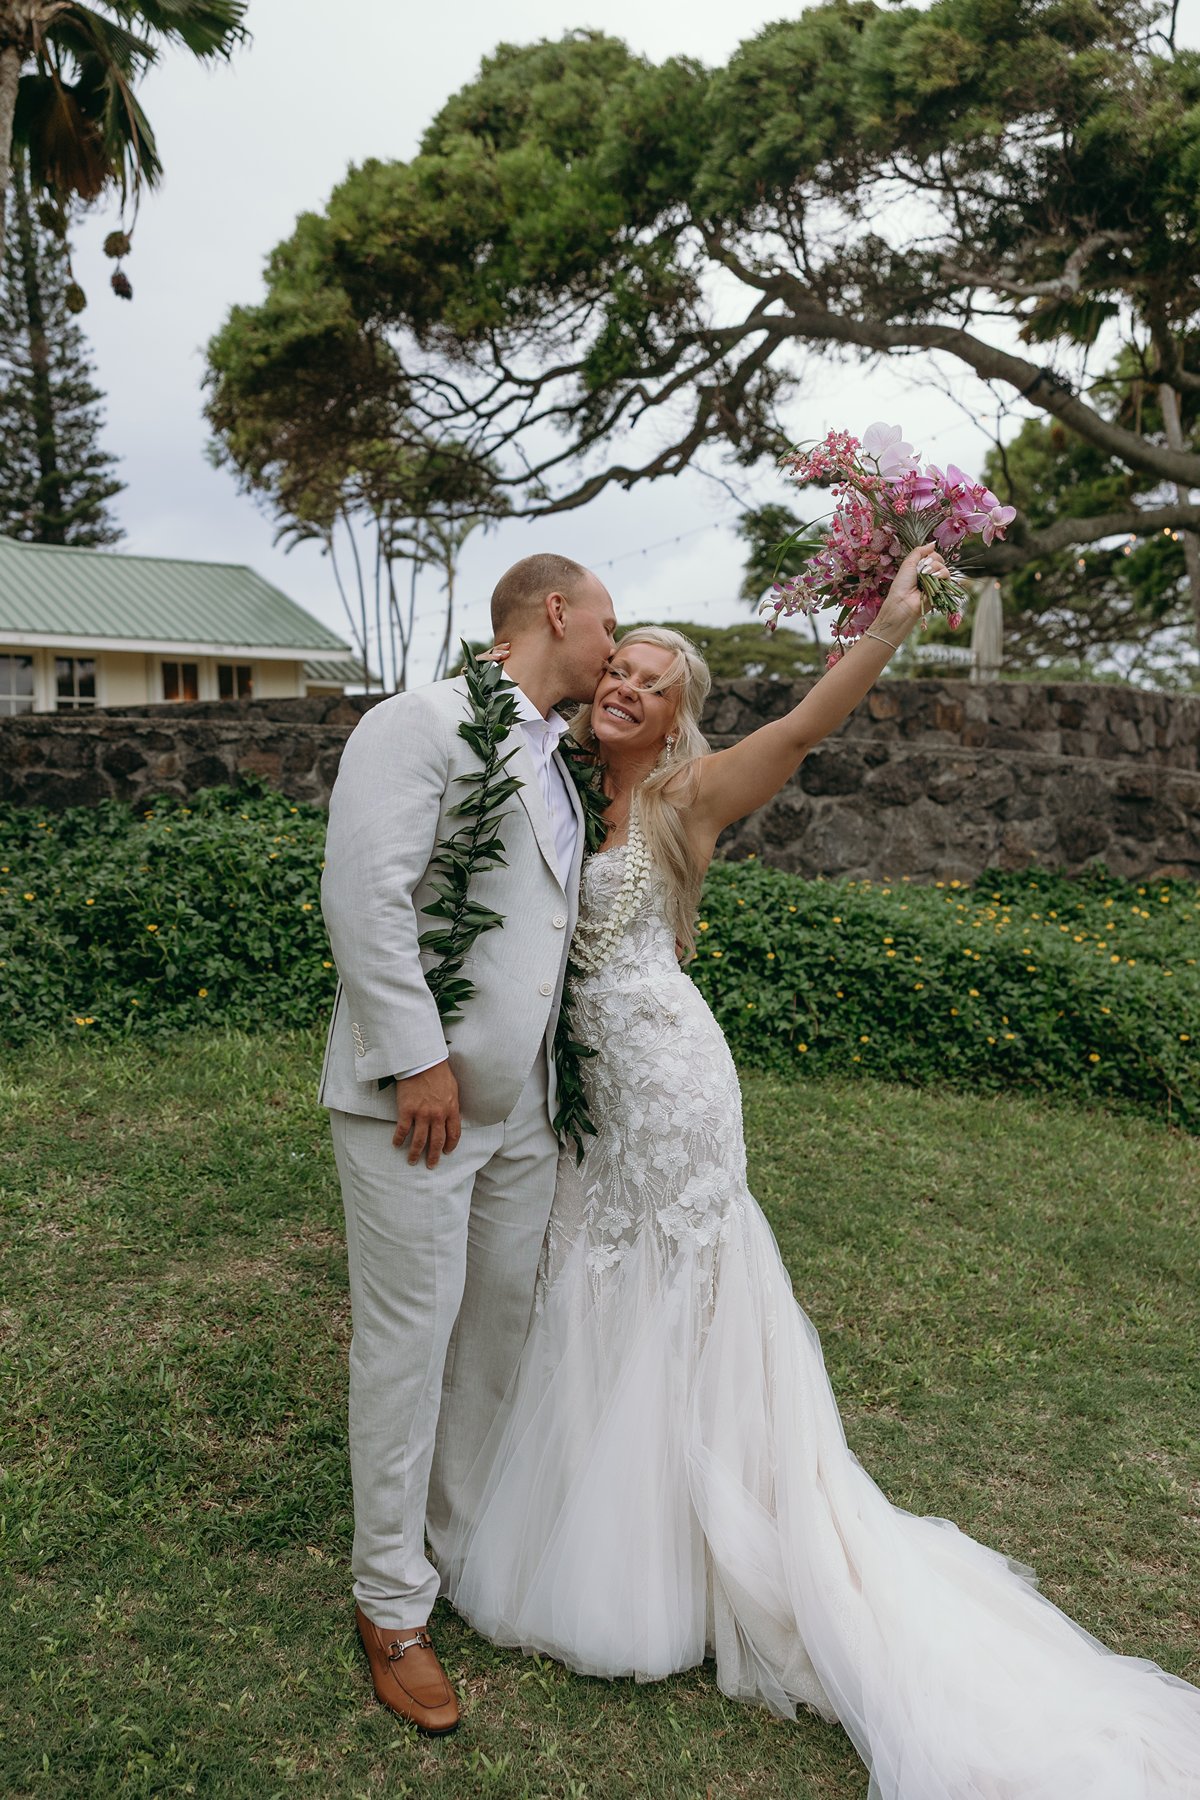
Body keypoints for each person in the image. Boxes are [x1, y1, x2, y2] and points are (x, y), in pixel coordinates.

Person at [438, 543, 1200, 1797]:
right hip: (589, 1098)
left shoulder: (689, 800)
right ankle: (611, 1520)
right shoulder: (559, 785)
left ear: (678, 714)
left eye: (650, 681)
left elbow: (800, 727)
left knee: (674, 1281)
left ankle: (704, 1539)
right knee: (590, 1274)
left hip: (673, 1088)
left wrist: (891, 626)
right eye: (614, 669)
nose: (624, 687)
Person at [319, 552, 618, 1734]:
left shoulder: (558, 757)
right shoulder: (421, 721)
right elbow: (366, 894)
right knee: (408, 1341)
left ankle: (450, 1552)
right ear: (555, 611)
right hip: (422, 1106)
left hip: (524, 1115)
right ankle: (388, 1602)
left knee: (497, 1330)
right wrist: (418, 1058)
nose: (613, 645)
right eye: (608, 622)